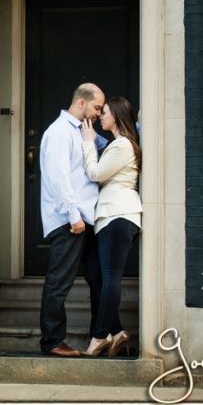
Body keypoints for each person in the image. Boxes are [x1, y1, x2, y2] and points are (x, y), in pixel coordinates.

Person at [39, 83, 106, 357]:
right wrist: (73, 215)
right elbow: (59, 178)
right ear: (81, 102)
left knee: (98, 277)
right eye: (97, 107)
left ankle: (103, 335)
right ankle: (52, 341)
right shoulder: (59, 132)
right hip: (70, 221)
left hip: (85, 219)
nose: (99, 113)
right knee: (59, 281)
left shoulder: (81, 131)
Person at [80, 96, 143, 357]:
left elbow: (96, 173)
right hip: (108, 217)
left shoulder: (123, 145)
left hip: (119, 215)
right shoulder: (117, 144)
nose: (100, 116)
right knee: (94, 273)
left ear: (116, 116)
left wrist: (87, 143)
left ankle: (99, 336)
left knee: (110, 277)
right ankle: (117, 332)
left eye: (104, 112)